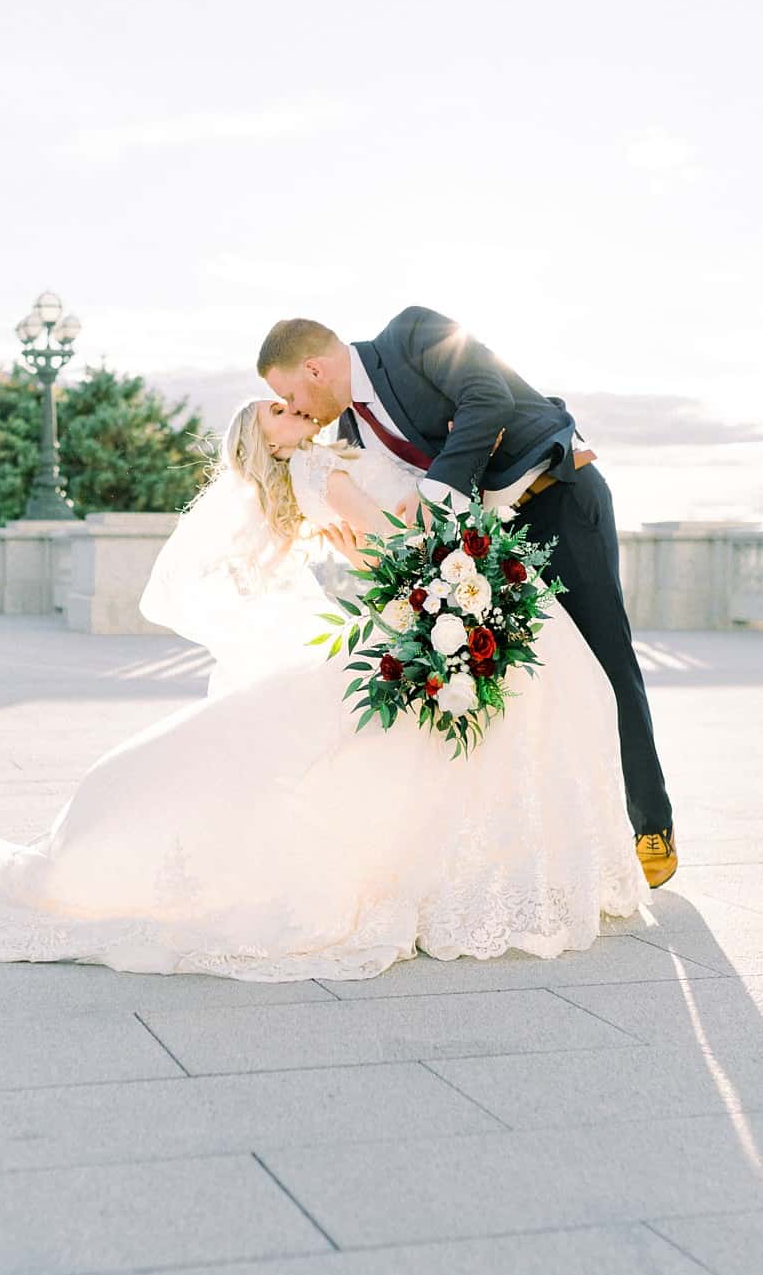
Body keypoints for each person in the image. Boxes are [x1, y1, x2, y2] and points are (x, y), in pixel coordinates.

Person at [0, 398, 645, 981]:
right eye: (278, 415)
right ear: (263, 442)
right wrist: (434, 569)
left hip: (375, 625)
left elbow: (367, 553)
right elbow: (388, 545)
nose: (296, 415)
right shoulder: (319, 472)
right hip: (391, 619)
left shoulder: (316, 475)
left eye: (292, 407)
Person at [258, 307, 677, 888]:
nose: (299, 411)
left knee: (608, 661)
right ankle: (568, 838)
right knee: (543, 691)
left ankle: (650, 823)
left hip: (555, 500)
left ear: (313, 367)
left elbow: (488, 397)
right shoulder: (350, 435)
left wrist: (435, 489)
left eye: (291, 395)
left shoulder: (410, 335)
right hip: (486, 549)